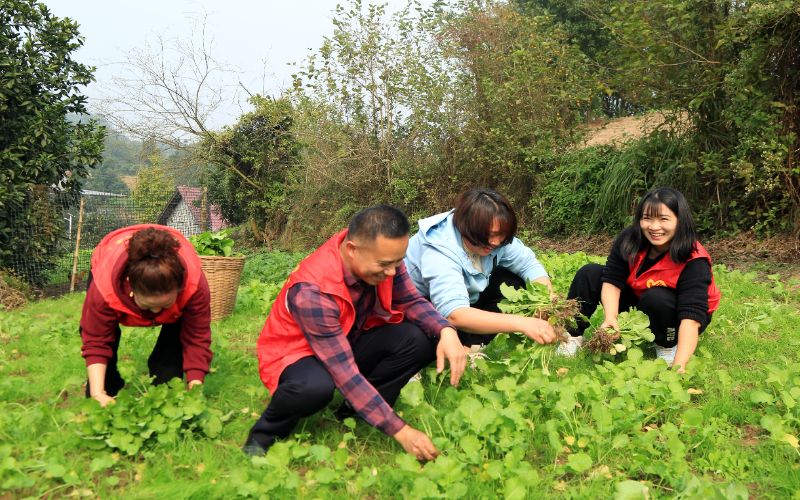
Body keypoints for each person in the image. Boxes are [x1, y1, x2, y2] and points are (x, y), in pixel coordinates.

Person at [244, 206, 466, 461]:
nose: (392, 272)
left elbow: (410, 301)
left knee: (418, 340)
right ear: (352, 250)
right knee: (315, 388)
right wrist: (402, 431)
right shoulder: (313, 292)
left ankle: (355, 413)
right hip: (299, 353)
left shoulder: (381, 254)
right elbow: (344, 372)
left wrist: (446, 330)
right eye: (385, 265)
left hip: (349, 337)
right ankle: (262, 437)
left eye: (398, 262)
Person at [560, 187, 721, 372]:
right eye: (647, 218)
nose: (654, 227)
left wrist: (680, 364)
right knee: (589, 273)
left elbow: (691, 317)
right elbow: (612, 280)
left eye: (663, 219)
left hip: (677, 314)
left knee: (658, 297)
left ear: (680, 221)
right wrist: (611, 317)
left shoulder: (694, 259)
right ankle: (571, 336)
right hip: (640, 299)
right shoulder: (630, 240)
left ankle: (667, 346)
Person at [404, 187, 558, 349]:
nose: (496, 242)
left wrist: (546, 298)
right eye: (491, 235)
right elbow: (455, 314)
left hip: (467, 298)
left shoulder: (494, 236)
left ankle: (476, 344)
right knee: (422, 342)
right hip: (426, 308)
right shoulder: (439, 249)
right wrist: (523, 324)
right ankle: (457, 343)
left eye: (501, 235)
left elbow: (528, 264)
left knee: (512, 281)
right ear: (469, 228)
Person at [80, 225, 213, 407]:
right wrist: (97, 393)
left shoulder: (194, 286)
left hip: (180, 288)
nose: (157, 313)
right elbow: (96, 339)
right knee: (101, 391)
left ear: (179, 288)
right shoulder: (103, 290)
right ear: (131, 288)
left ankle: (164, 380)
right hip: (110, 251)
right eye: (149, 305)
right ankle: (108, 385)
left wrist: (195, 388)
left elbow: (197, 337)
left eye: (165, 305)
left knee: (167, 384)